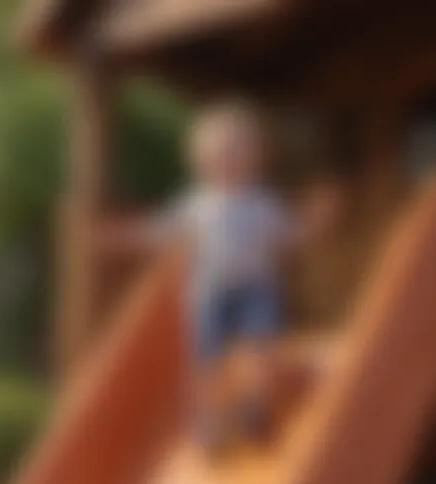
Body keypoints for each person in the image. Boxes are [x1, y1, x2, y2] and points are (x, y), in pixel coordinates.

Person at [109, 101, 340, 453]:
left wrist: (316, 222)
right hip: (211, 293)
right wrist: (127, 236)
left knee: (262, 348)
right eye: (219, 155)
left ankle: (255, 408)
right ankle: (210, 418)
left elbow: (291, 237)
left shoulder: (263, 204)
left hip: (255, 289)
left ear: (254, 161)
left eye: (238, 153)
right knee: (207, 360)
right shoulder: (197, 204)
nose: (229, 162)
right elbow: (162, 232)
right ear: (201, 162)